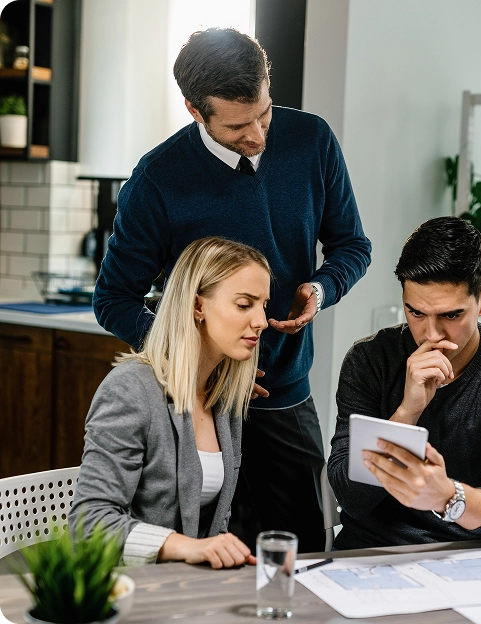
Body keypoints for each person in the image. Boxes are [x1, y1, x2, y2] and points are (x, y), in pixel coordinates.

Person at [92, 28, 371, 552]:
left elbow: (352, 246)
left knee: (306, 554)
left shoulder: (312, 139)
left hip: (286, 396)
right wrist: (198, 358)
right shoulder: (157, 180)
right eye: (239, 125)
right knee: (210, 554)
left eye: (264, 113)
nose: (260, 134)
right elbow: (112, 301)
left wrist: (321, 287)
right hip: (201, 408)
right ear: (196, 111)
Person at [327, 216, 481, 549]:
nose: (431, 335)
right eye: (416, 313)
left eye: (451, 315)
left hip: (470, 557)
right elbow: (351, 496)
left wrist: (448, 496)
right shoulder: (370, 360)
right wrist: (407, 413)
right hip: (370, 551)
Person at [70, 236, 270, 567]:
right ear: (197, 306)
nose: (261, 320)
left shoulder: (223, 396)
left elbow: (214, 527)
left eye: (264, 305)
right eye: (245, 304)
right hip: (128, 589)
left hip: (187, 591)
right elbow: (89, 525)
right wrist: (187, 547)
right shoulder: (130, 391)